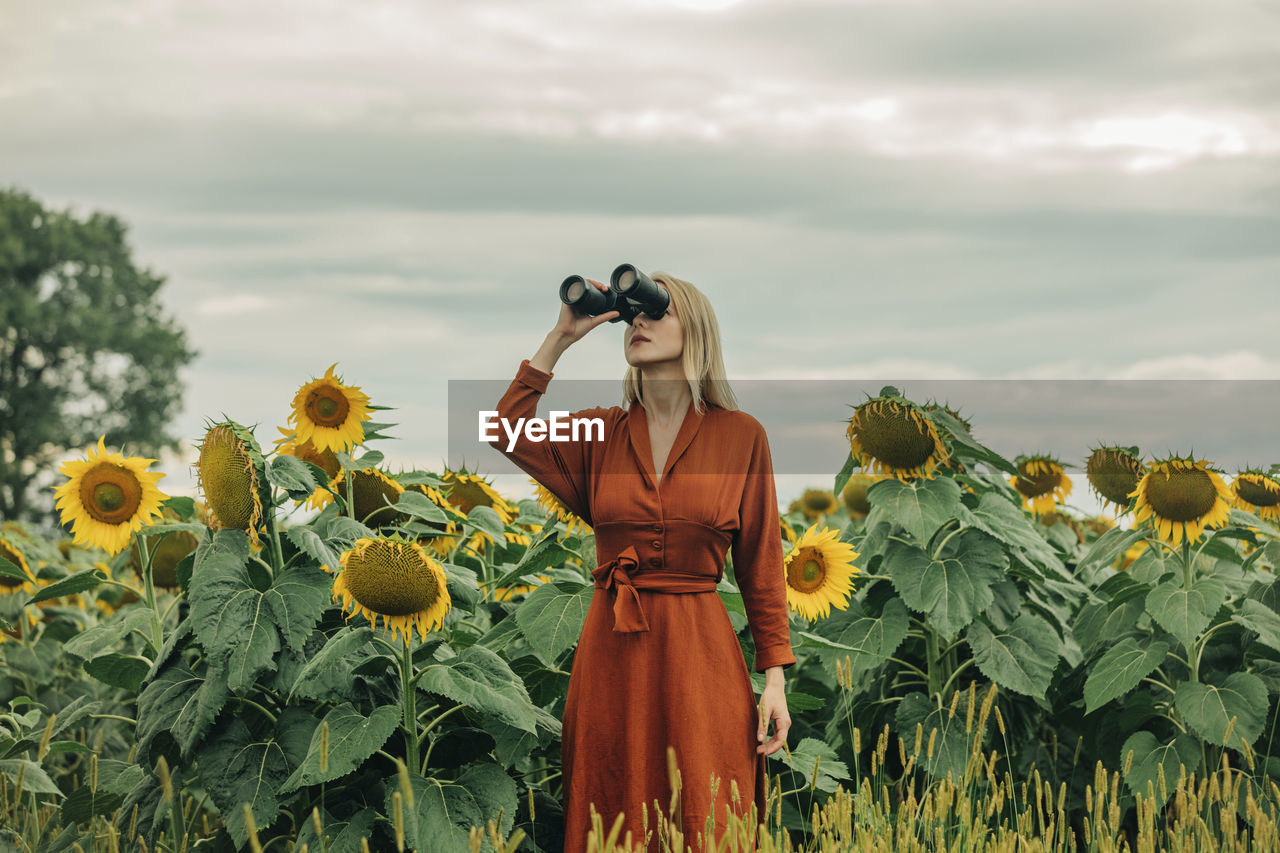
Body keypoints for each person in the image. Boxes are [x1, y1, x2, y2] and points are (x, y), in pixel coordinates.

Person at [487, 272, 794, 852]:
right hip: (613, 658)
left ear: (696, 329)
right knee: (612, 811)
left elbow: (761, 565)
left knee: (708, 811)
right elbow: (503, 431)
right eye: (632, 315)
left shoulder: (741, 437)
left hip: (701, 660)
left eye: (655, 310)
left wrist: (773, 676)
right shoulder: (600, 434)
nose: (639, 323)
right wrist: (561, 338)